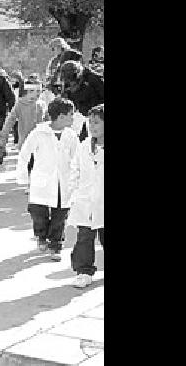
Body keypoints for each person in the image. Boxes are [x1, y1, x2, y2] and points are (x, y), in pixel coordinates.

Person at [16, 98, 81, 262]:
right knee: (38, 214)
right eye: (70, 115)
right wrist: (23, 177)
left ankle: (56, 245)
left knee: (60, 216)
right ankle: (41, 236)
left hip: (64, 183)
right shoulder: (39, 133)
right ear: (60, 116)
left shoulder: (71, 135)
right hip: (42, 182)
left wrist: (79, 180)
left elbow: (78, 158)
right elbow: (25, 154)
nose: (73, 119)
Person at [68, 104, 104, 289]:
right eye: (90, 122)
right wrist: (73, 193)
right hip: (86, 201)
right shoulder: (84, 146)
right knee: (84, 237)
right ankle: (83, 271)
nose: (92, 126)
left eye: (97, 122)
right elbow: (75, 170)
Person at [1, 80, 48, 150]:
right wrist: (4, 135)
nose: (39, 94)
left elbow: (47, 120)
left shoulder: (41, 104)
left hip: (39, 142)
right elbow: (10, 120)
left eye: (40, 91)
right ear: (28, 91)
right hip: (25, 142)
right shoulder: (20, 105)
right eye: (37, 91)